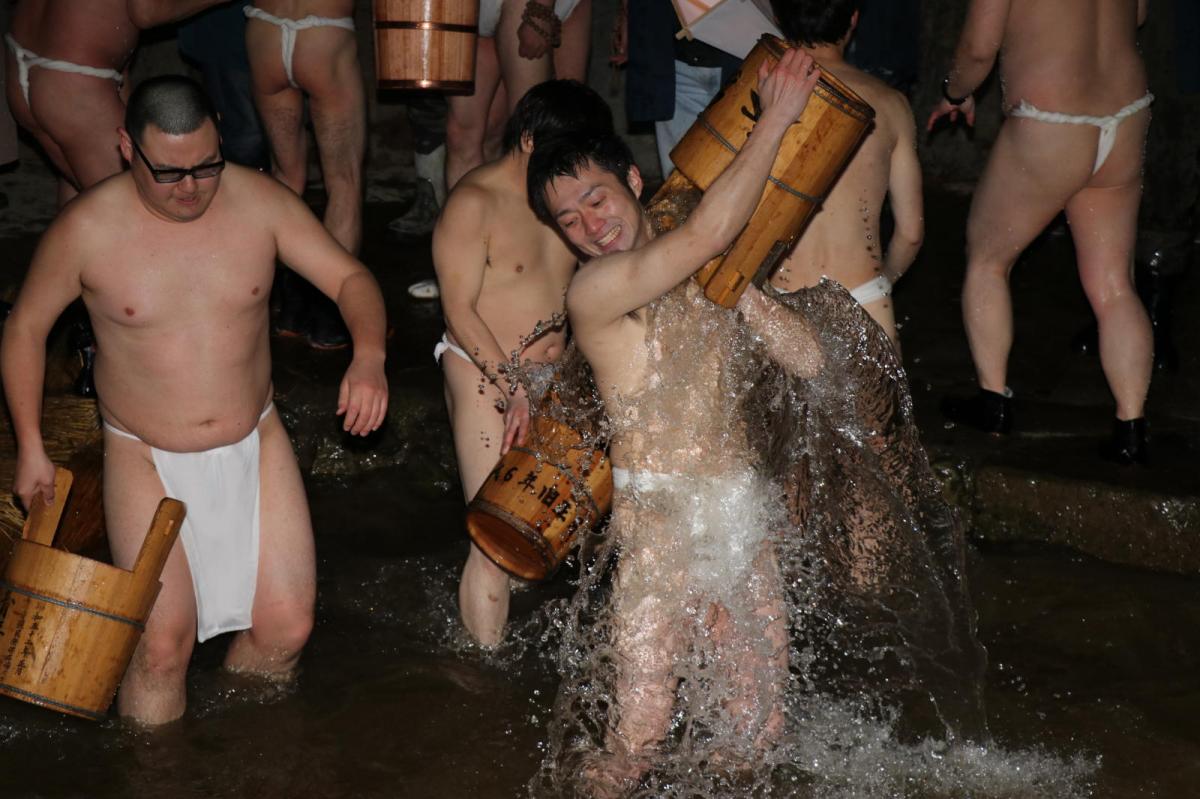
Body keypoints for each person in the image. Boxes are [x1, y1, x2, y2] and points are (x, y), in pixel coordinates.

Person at [527, 52, 988, 794]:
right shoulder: (596, 290)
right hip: (659, 531)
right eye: (568, 217)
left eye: (596, 198)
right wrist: (776, 117)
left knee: (755, 730)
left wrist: (742, 297)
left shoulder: (700, 265)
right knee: (636, 738)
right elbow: (709, 234)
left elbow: (810, 362)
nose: (589, 224)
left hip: (742, 517)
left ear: (633, 181)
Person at [0, 76, 388, 725]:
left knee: (287, 626)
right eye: (170, 172)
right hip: (143, 452)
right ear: (127, 147)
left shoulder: (259, 203)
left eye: (206, 167)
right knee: (160, 644)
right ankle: (161, 778)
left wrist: (370, 356)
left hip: (255, 439)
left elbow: (350, 277)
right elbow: (25, 328)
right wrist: (31, 447)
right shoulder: (87, 228)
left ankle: (246, 752)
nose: (190, 189)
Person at [930, 0, 1153, 463]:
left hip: (1052, 121)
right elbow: (1137, 16)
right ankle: (1131, 427)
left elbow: (977, 49)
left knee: (988, 258)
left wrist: (954, 94)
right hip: (1125, 112)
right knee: (1114, 285)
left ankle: (993, 402)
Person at [433, 79, 613, 647]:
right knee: (495, 536)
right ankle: (481, 676)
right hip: (485, 373)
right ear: (533, 141)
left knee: (569, 531)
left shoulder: (563, 200)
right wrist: (514, 387)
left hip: (557, 375)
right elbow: (459, 310)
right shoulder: (473, 203)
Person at [768, 0, 923, 347]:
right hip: (865, 296)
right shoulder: (891, 104)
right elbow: (911, 233)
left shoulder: (760, 93)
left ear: (777, 17)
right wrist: (884, 280)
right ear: (854, 19)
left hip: (779, 298)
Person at [4, 0, 226, 202]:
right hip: (75, 83)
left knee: (82, 192)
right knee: (138, 207)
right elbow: (146, 11)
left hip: (23, 60)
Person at [243, 0, 365, 349]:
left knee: (285, 178)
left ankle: (290, 309)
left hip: (265, 32)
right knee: (344, 183)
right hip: (324, 34)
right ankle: (329, 317)